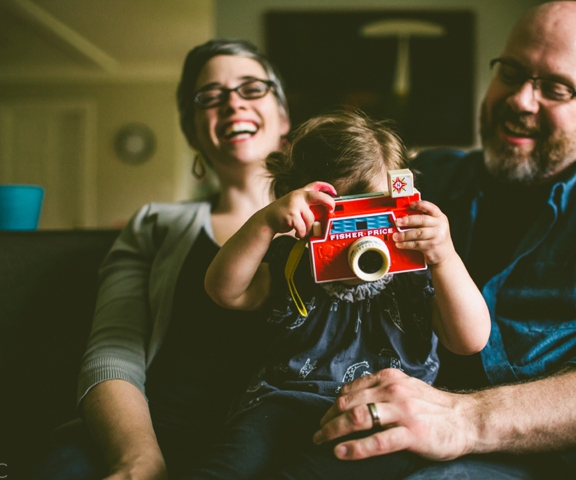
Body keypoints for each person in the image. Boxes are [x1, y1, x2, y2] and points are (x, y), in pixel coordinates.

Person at [311, 2, 576, 479]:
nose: (522, 100)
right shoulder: (428, 178)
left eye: (555, 88)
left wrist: (467, 419)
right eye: (512, 72)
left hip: (544, 453)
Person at [33, 39, 291, 480]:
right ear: (192, 130)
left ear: (284, 116)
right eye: (209, 96)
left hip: (279, 442)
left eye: (251, 88)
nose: (232, 103)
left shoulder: (336, 220)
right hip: (147, 436)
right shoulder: (154, 224)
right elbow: (113, 351)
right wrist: (137, 459)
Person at [197, 109, 490, 479]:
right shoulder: (292, 266)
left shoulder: (414, 273)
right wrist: (266, 222)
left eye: (373, 214)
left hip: (379, 413)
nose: (358, 236)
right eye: (341, 219)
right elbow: (224, 291)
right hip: (280, 408)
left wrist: (444, 256)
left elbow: (470, 340)